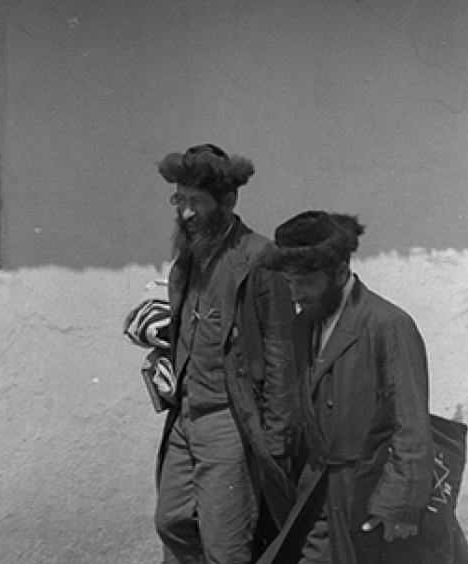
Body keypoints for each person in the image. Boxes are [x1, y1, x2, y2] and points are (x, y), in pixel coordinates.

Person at [259, 211, 468, 564]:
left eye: (305, 283)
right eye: (289, 282)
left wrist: (400, 505)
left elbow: (411, 423)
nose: (295, 295)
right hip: (319, 492)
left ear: (341, 271)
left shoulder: (387, 324)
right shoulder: (304, 325)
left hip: (370, 493)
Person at [153, 143, 301, 564]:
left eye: (196, 202)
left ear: (228, 201)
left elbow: (280, 352)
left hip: (229, 422)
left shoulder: (260, 259)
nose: (185, 213)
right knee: (172, 522)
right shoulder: (188, 255)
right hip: (184, 416)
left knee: (225, 545)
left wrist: (278, 437)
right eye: (180, 199)